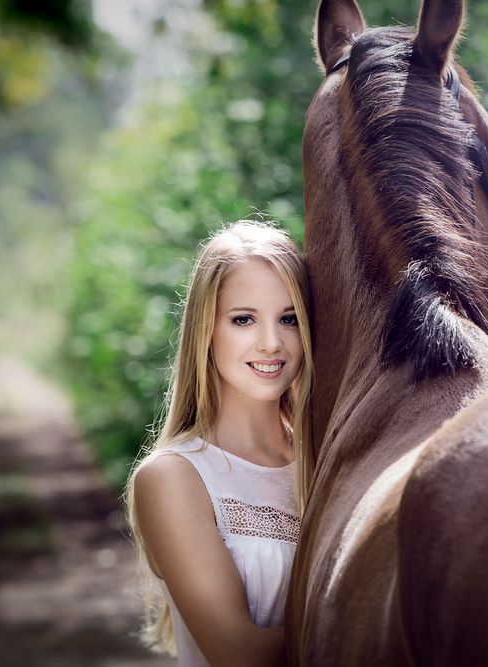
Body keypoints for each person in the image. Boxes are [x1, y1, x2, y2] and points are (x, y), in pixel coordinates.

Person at [125, 220, 314, 666]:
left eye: (289, 319)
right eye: (243, 319)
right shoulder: (174, 477)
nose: (271, 343)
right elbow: (240, 656)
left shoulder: (328, 459)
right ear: (206, 330)